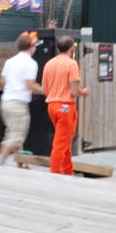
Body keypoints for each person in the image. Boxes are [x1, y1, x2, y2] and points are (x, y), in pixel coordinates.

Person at [42, 35, 89, 175]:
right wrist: (83, 92)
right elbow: (75, 90)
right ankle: (55, 172)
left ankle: (68, 171)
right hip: (66, 107)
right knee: (61, 142)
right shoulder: (71, 63)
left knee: (65, 139)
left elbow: (44, 90)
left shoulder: (49, 64)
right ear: (71, 48)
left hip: (52, 106)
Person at [0, 32, 43, 167]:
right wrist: (43, 90)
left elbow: (2, 81)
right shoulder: (31, 63)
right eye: (35, 45)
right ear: (31, 47)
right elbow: (29, 84)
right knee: (14, 138)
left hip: (5, 103)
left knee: (15, 134)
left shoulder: (9, 61)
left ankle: (22, 166)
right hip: (18, 104)